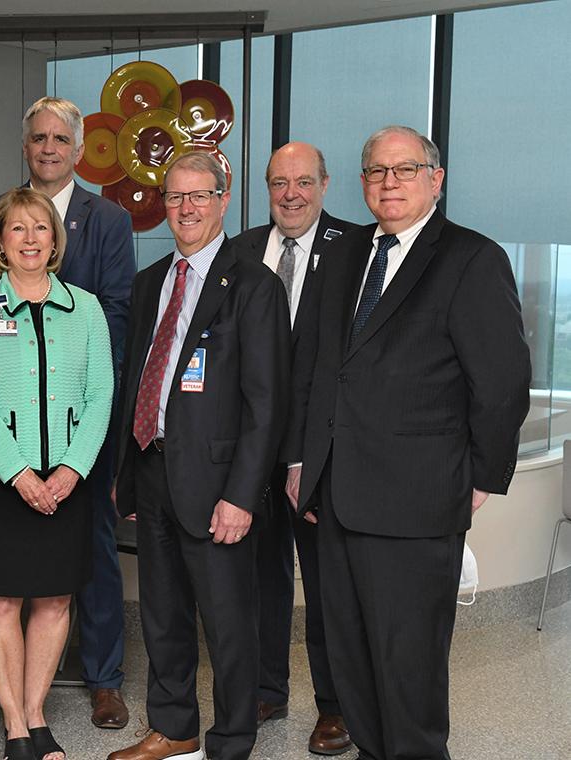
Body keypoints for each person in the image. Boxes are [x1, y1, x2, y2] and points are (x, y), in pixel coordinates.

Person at [285, 125, 530, 760]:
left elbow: (502, 384)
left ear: (435, 179)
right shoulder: (345, 254)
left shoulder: (471, 259)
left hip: (419, 503)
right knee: (351, 660)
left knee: (409, 668)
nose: (389, 182)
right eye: (376, 171)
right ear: (362, 182)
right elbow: (318, 367)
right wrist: (302, 462)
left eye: (405, 170)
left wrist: (480, 478)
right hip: (336, 498)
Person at [0, 95, 135, 731]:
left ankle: (104, 678)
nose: (49, 148)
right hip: (3, 443)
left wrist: (83, 431)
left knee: (94, 552)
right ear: (25, 145)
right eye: (39, 138)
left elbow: (117, 313)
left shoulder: (108, 219)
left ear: (79, 148)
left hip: (77, 427)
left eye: (61, 138)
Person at [109, 153, 290, 760]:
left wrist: (242, 495)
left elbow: (267, 403)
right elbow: (137, 379)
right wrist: (128, 472)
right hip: (153, 467)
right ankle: (174, 728)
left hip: (218, 484)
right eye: (175, 196)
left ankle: (232, 740)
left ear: (223, 200)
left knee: (228, 622)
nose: (186, 208)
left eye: (199, 196)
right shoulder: (150, 281)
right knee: (162, 614)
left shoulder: (254, 285)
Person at [230, 142, 355, 755]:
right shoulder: (240, 250)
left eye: (303, 181)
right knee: (259, 577)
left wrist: (307, 455)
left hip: (321, 452)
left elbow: (344, 365)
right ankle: (266, 689)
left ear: (325, 185)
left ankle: (335, 706)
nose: (291, 194)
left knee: (328, 587)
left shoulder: (355, 250)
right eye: (279, 182)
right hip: (249, 451)